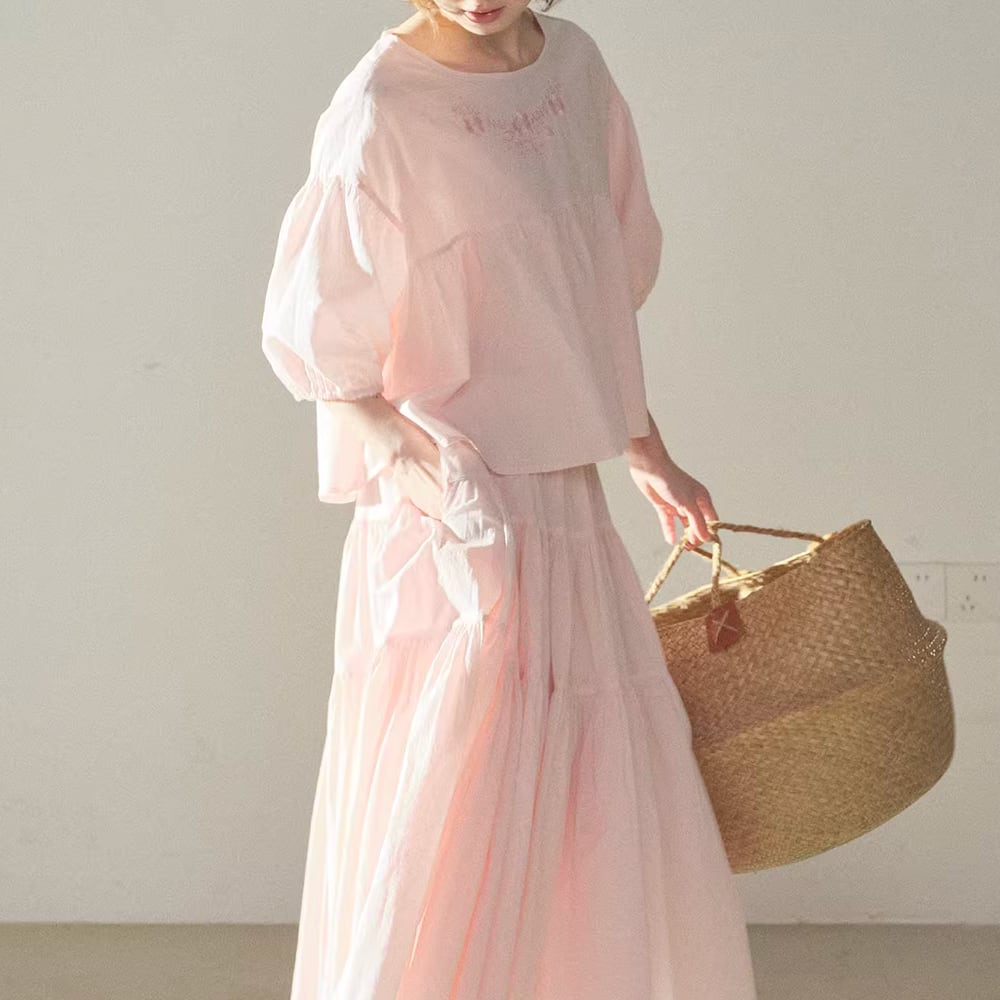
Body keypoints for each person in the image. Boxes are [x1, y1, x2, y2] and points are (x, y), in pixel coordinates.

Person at [260, 2, 759, 998]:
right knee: (456, 794)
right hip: (454, 519)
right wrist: (439, 487)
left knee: (577, 801)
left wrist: (645, 448)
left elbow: (584, 291)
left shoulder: (575, 68)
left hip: (564, 507)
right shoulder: (382, 106)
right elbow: (327, 356)